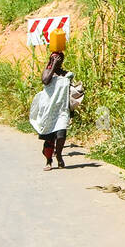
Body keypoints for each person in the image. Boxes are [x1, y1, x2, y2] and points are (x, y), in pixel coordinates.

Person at [29, 31, 77, 170]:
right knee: (49, 137)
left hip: (61, 109)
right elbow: (45, 81)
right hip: (48, 110)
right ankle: (48, 161)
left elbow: (68, 91)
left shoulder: (67, 75)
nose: (57, 61)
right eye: (55, 59)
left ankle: (59, 155)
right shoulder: (47, 73)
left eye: (59, 59)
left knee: (61, 133)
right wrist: (52, 65)